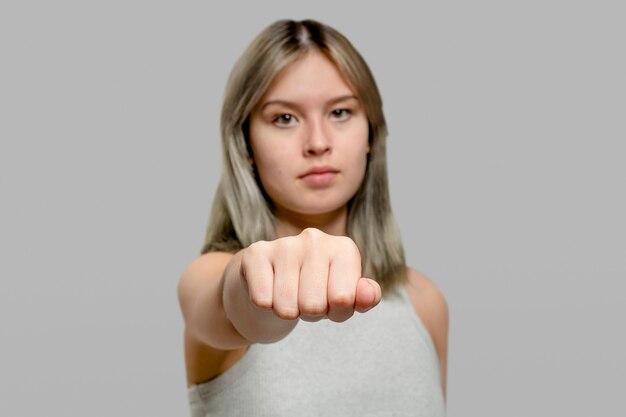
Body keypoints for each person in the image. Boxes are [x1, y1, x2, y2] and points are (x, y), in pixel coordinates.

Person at [177, 19, 448, 417]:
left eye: (340, 112)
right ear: (246, 143)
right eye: (284, 118)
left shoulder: (426, 304)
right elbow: (234, 308)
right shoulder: (209, 277)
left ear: (370, 133)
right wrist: (255, 275)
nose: (318, 143)